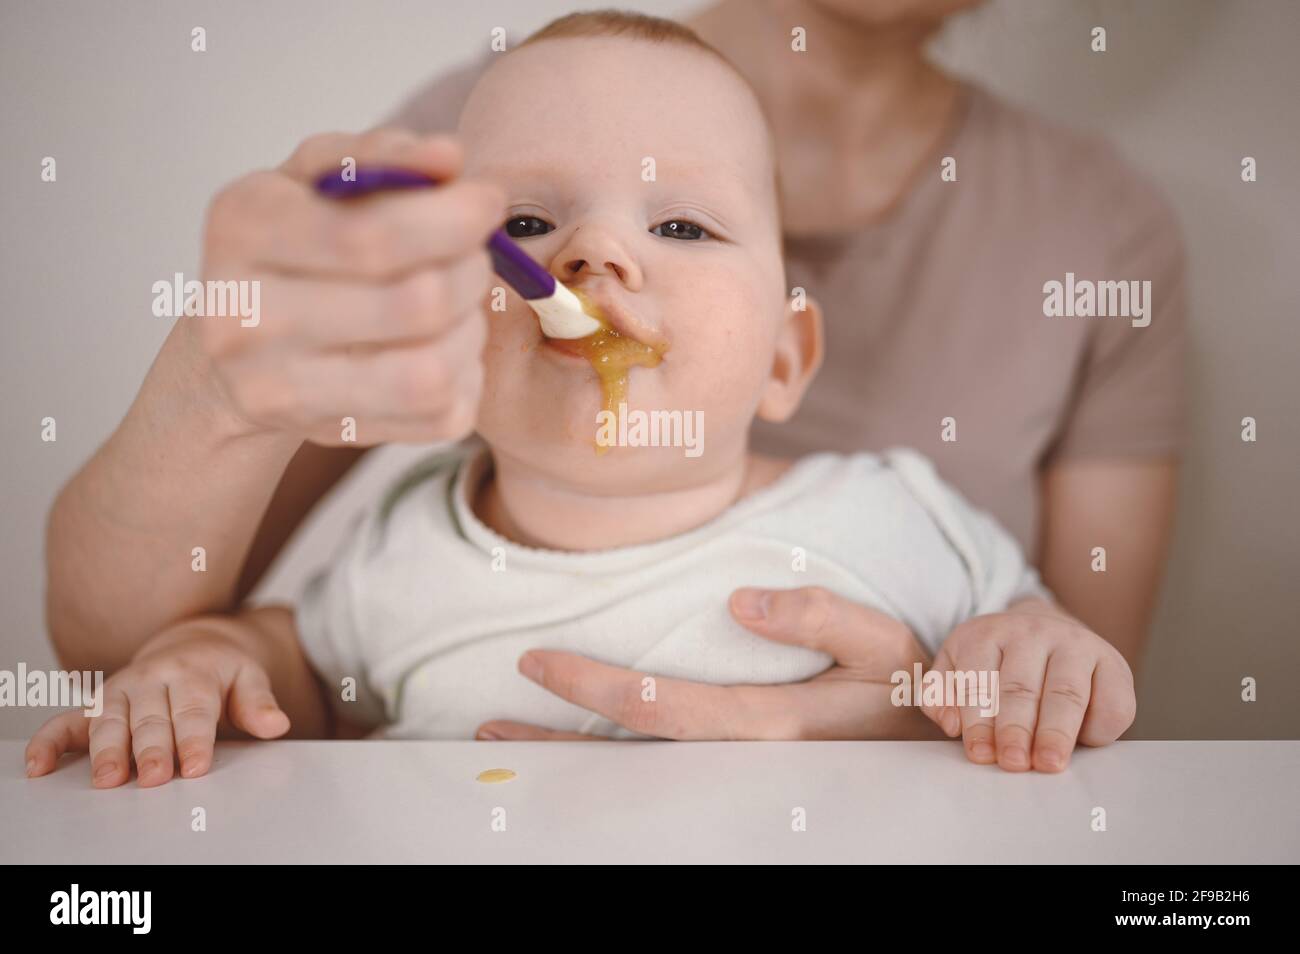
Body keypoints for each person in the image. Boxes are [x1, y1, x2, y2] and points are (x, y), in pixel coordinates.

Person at [43, 1, 1183, 764]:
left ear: (786, 358)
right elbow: (293, 666)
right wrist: (213, 658)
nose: (594, 256)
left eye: (681, 224)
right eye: (530, 224)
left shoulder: (898, 519)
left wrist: (1029, 667)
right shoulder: (400, 548)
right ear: (432, 321)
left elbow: (1062, 690)